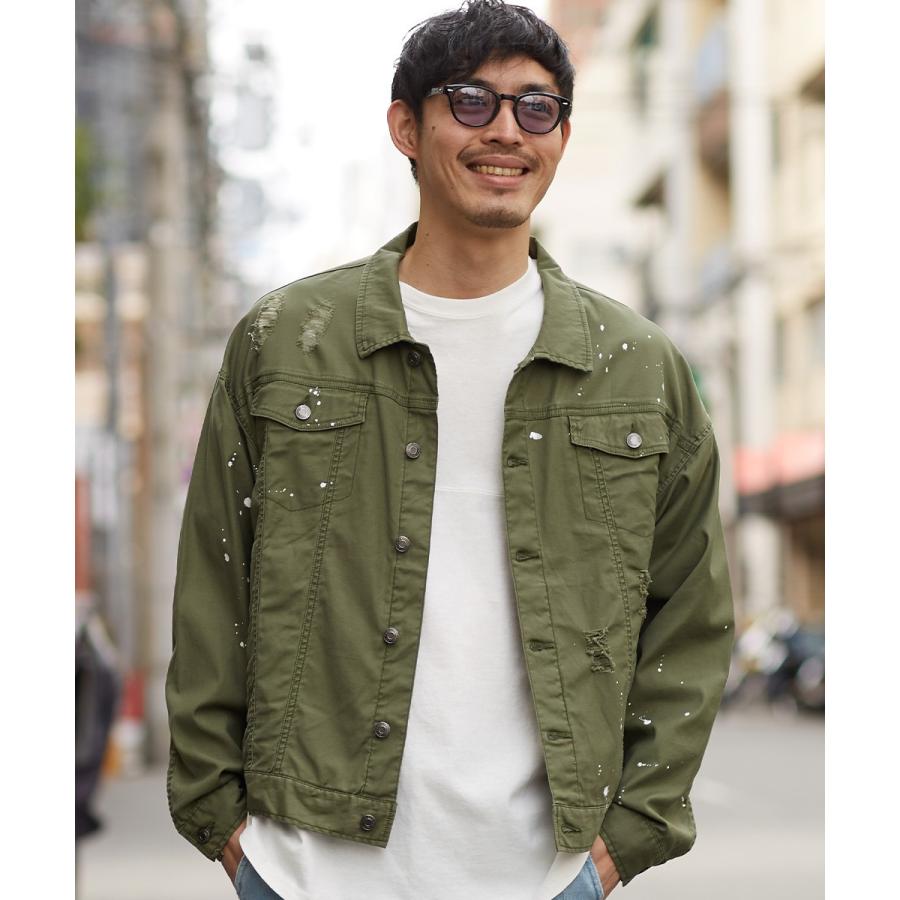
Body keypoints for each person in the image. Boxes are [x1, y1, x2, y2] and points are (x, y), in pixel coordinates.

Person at [165, 2, 734, 898]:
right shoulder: (286, 341)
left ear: (562, 136)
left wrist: (628, 836)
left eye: (536, 108)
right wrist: (224, 824)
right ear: (406, 126)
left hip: (547, 877)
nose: (506, 130)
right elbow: (214, 581)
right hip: (306, 871)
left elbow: (691, 616)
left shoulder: (636, 365)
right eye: (471, 101)